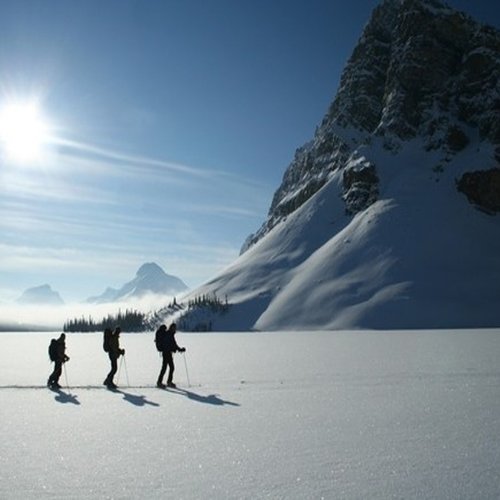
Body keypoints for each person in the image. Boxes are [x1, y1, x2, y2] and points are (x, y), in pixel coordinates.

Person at [156, 323, 185, 388]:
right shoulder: (169, 334)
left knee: (170, 367)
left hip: (168, 353)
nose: (175, 329)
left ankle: (167, 382)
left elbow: (174, 344)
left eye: (175, 328)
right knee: (166, 368)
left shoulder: (170, 334)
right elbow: (173, 344)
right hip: (166, 353)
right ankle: (160, 382)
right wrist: (179, 349)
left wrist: (179, 349)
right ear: (171, 328)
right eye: (174, 328)